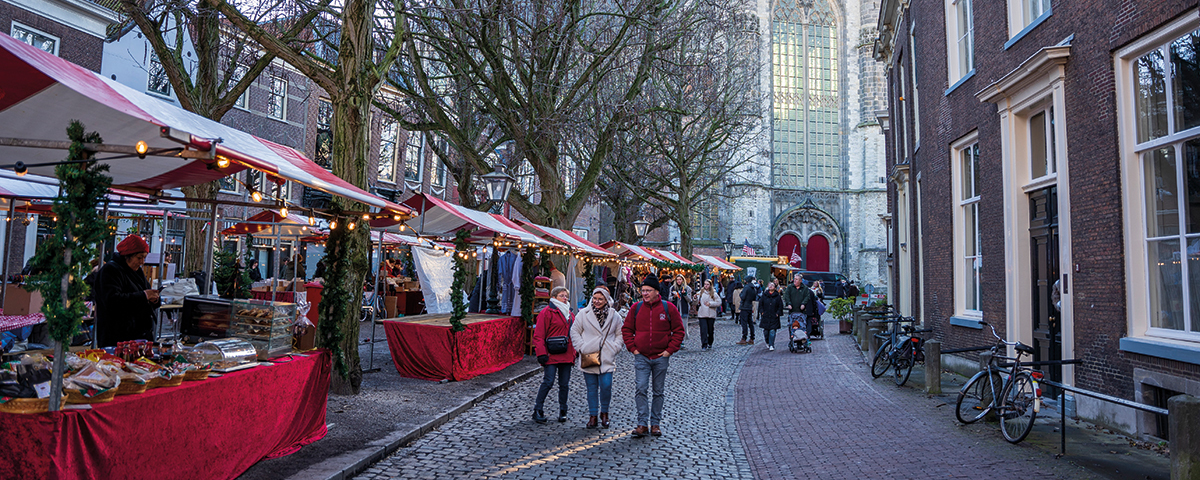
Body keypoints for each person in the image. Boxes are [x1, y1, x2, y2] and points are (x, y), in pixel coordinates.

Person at [622, 274, 685, 438]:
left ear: (657, 291)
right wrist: (633, 348)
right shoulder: (636, 308)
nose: (645, 293)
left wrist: (669, 350)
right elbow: (627, 330)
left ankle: (655, 423)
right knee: (641, 388)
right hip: (641, 356)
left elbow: (679, 331)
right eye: (643, 290)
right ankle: (642, 423)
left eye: (648, 290)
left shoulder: (668, 308)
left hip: (660, 357)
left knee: (658, 391)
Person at [570, 287, 625, 429]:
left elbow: (620, 334)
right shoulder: (583, 314)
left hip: (607, 355)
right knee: (591, 388)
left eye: (600, 299)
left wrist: (615, 347)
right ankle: (593, 415)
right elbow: (574, 331)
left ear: (606, 300)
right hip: (589, 354)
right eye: (595, 298)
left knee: (606, 386)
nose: (597, 301)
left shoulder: (614, 316)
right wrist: (582, 347)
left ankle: (604, 413)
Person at [94, 234, 161, 348]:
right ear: (127, 256)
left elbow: (146, 293)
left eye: (144, 258)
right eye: (139, 258)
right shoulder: (110, 271)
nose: (142, 262)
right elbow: (112, 301)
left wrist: (154, 299)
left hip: (138, 335)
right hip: (117, 337)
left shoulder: (137, 272)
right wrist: (144, 296)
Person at [531, 286, 576, 424]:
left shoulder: (570, 314)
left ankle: (563, 410)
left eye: (566, 296)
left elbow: (574, 334)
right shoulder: (546, 312)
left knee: (564, 384)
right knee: (548, 381)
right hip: (550, 353)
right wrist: (541, 353)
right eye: (562, 295)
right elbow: (538, 335)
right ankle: (538, 409)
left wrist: (575, 352)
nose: (565, 298)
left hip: (566, 353)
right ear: (554, 297)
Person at [783, 273, 818, 339]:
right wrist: (789, 303)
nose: (795, 281)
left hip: (801, 311)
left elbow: (807, 297)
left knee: (802, 325)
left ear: (800, 281)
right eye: (794, 279)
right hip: (792, 310)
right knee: (792, 325)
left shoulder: (805, 288)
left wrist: (803, 303)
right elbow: (786, 296)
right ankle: (792, 337)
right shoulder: (790, 287)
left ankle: (801, 339)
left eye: (796, 279)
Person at [758, 281, 784, 351]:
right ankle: (767, 342)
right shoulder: (764, 295)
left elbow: (780, 305)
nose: (770, 286)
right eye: (769, 285)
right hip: (766, 315)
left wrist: (778, 313)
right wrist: (762, 312)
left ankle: (771, 344)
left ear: (775, 287)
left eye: (772, 285)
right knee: (766, 331)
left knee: (772, 331)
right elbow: (761, 304)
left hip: (774, 315)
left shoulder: (777, 296)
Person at [696, 279, 721, 350]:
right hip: (702, 314)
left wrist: (710, 304)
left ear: (710, 285)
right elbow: (695, 302)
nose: (706, 286)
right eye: (705, 284)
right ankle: (704, 344)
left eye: (707, 284)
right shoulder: (700, 292)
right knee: (703, 330)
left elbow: (719, 302)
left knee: (710, 330)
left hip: (711, 315)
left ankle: (710, 342)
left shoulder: (714, 293)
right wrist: (695, 298)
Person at [737, 279, 759, 345]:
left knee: (744, 323)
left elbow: (743, 297)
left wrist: (741, 295)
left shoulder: (746, 287)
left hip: (744, 307)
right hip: (749, 306)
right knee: (750, 323)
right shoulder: (753, 288)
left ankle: (744, 338)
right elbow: (754, 297)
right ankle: (752, 338)